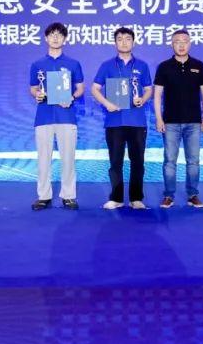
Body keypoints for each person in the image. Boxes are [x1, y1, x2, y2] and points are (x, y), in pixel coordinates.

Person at [91, 28, 153, 210]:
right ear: (115, 43)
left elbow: (148, 89)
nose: (124, 42)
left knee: (138, 162)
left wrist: (143, 99)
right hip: (114, 121)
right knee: (115, 162)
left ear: (133, 42)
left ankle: (136, 198)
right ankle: (116, 198)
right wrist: (106, 103)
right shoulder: (107, 65)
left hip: (137, 121)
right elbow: (95, 88)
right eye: (120, 39)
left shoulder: (142, 66)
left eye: (127, 39)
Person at [29, 22, 84, 210]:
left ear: (65, 39)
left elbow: (80, 88)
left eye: (59, 35)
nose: (55, 37)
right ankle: (43, 196)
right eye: (52, 34)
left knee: (68, 158)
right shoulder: (37, 65)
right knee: (43, 159)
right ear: (46, 38)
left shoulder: (73, 64)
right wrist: (37, 94)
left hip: (66, 117)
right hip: (43, 117)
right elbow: (33, 88)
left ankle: (69, 196)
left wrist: (71, 97)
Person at [153, 29, 203, 209]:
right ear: (172, 44)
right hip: (170, 122)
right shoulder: (164, 67)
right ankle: (169, 195)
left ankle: (193, 195)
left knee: (193, 161)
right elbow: (157, 95)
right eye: (177, 41)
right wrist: (159, 118)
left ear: (190, 43)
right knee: (170, 161)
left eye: (185, 41)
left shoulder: (199, 66)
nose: (181, 44)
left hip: (194, 122)